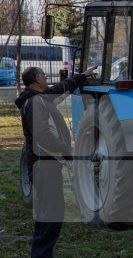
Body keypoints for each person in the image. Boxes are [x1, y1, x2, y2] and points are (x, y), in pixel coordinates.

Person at [15, 65, 97, 258]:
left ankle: (41, 253)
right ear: (37, 80)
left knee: (47, 213)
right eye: (43, 75)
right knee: (51, 214)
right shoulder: (35, 103)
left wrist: (82, 76)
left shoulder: (39, 97)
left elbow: (61, 88)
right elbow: (43, 136)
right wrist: (67, 152)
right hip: (44, 166)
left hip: (44, 166)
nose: (46, 77)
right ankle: (41, 254)